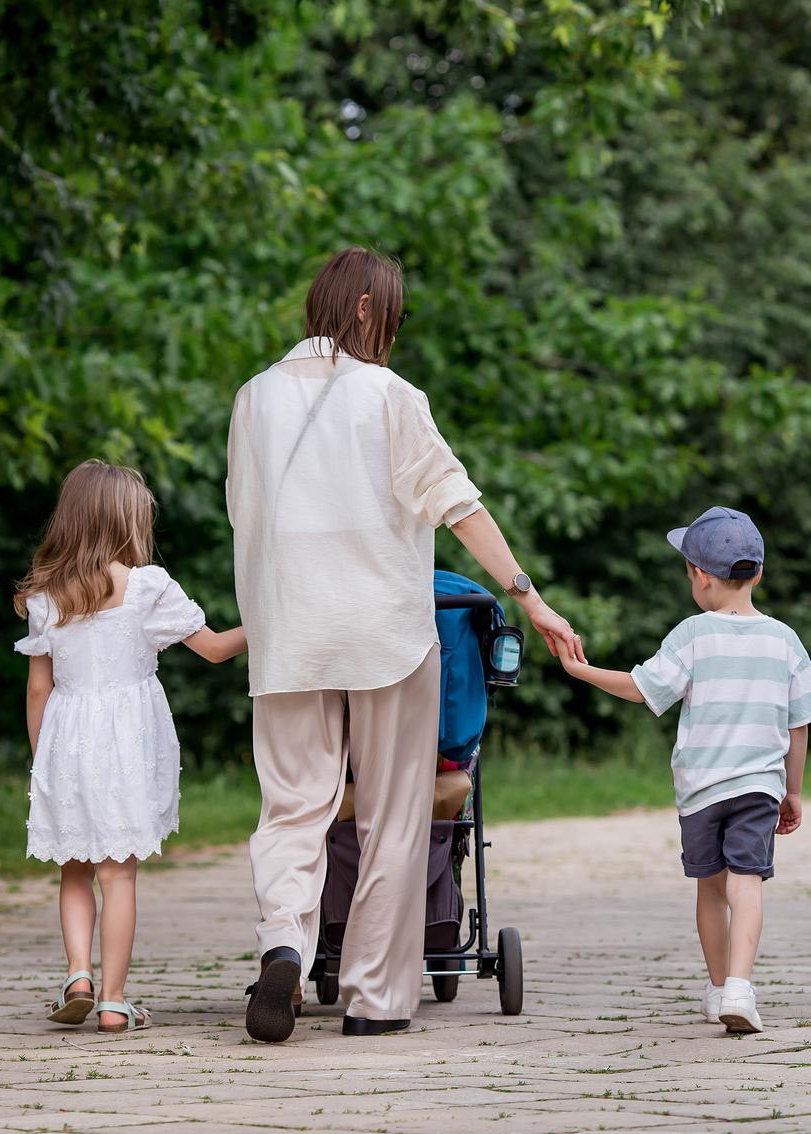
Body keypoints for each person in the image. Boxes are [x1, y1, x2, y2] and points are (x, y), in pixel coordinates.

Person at [226, 246, 583, 1042]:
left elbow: (245, 519)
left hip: (288, 636)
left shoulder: (252, 400)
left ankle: (285, 939)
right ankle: (374, 999)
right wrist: (530, 599)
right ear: (362, 310)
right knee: (392, 813)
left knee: (292, 808)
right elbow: (458, 506)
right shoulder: (391, 396)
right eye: (393, 312)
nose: (395, 327)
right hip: (385, 631)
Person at [553, 506, 811, 1033]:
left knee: (711, 889)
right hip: (760, 787)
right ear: (757, 573)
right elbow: (799, 725)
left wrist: (580, 670)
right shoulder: (786, 642)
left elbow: (642, 690)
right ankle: (741, 986)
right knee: (748, 885)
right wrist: (792, 791)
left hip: (700, 791)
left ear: (699, 575)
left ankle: (720, 991)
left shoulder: (692, 635)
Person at [14, 459, 246, 1033]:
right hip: (126, 745)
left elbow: (39, 687)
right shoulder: (147, 587)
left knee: (73, 868)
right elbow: (215, 649)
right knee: (118, 875)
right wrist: (274, 622)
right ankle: (114, 1000)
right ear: (127, 522)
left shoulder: (46, 595)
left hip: (66, 740)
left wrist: (44, 760)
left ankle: (77, 975)